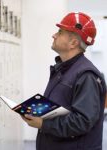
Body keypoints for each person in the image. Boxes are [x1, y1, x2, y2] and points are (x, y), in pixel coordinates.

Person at [22, 12, 106, 150]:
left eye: (60, 32)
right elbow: (63, 104)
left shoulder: (86, 75)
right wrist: (38, 110)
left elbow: (82, 121)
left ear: (73, 43)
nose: (54, 35)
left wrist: (43, 124)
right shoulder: (63, 68)